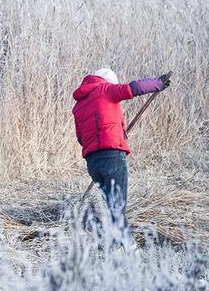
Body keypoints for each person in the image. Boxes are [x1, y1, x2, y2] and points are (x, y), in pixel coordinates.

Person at [72, 68, 170, 237]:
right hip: (112, 156)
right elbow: (133, 88)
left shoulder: (79, 106)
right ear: (108, 81)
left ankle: (113, 245)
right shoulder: (105, 89)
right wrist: (157, 83)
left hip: (93, 162)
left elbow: (81, 138)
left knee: (112, 206)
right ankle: (126, 250)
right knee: (117, 209)